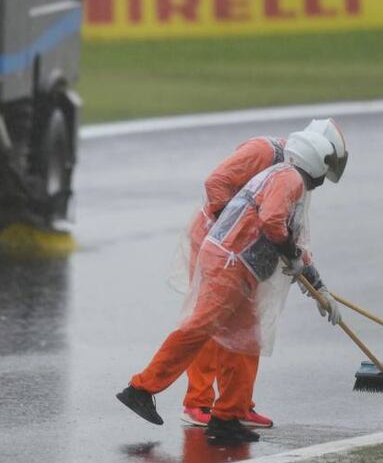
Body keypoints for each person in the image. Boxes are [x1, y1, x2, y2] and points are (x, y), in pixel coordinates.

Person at [118, 130, 346, 445]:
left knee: (245, 339)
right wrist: (293, 255)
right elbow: (272, 220)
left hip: (237, 265)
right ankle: (141, 388)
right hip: (229, 264)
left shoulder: (285, 175)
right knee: (199, 329)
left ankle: (227, 416)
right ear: (317, 161)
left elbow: (287, 232)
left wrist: (321, 290)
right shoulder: (289, 178)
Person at [176, 119, 348, 430]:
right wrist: (232, 234)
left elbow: (294, 234)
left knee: (247, 329)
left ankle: (237, 404)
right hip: (216, 243)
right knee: (209, 320)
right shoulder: (264, 152)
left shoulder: (299, 174)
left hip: (244, 253)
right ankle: (197, 402)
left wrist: (320, 289)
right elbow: (215, 183)